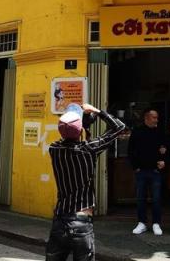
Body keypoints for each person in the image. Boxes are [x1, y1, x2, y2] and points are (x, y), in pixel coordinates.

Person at [46, 103, 125, 261]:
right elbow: (119, 127)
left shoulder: (54, 149)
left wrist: (82, 126)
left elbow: (70, 138)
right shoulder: (89, 150)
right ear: (80, 130)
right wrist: (97, 111)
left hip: (60, 219)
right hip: (81, 220)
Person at [128, 109, 165, 236]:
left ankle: (156, 223)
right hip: (141, 170)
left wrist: (163, 161)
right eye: (154, 117)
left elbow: (165, 148)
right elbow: (130, 150)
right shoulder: (137, 131)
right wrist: (135, 167)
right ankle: (142, 223)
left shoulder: (160, 132)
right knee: (141, 198)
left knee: (156, 198)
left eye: (157, 117)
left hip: (155, 171)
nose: (156, 120)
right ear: (146, 118)